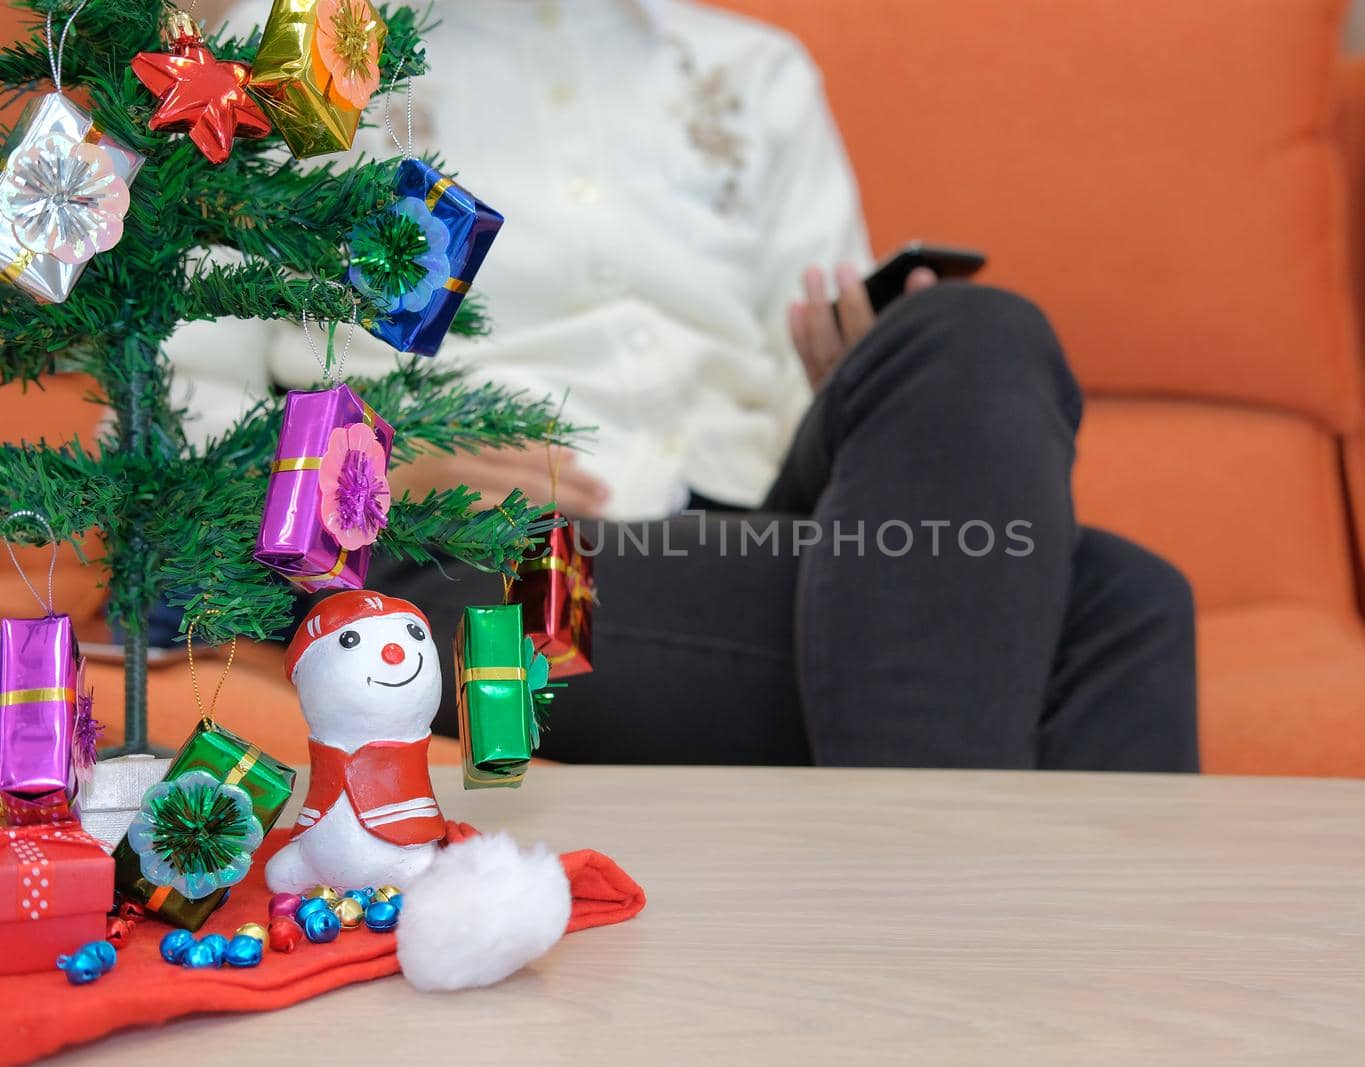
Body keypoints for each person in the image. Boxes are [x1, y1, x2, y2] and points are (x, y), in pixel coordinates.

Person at [175, 0, 1198, 770]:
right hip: (499, 548)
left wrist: (851, 387)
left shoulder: (753, 72)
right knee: (1119, 606)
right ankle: (994, 976)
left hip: (764, 518)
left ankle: (924, 936)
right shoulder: (290, 55)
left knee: (975, 331)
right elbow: (180, 408)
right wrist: (382, 469)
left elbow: (832, 426)